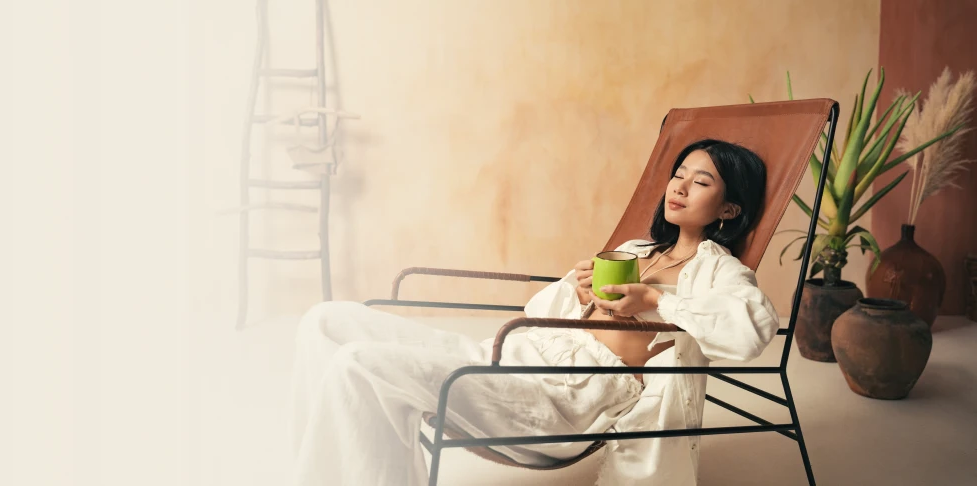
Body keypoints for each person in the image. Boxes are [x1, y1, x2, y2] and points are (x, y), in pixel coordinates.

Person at [289, 139, 780, 486]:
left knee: (359, 364)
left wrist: (653, 300)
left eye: (700, 182)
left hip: (566, 396)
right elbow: (540, 312)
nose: (679, 186)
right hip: (519, 355)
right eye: (678, 174)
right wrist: (579, 290)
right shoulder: (636, 249)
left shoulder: (718, 270)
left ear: (729, 210)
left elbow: (753, 328)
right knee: (324, 320)